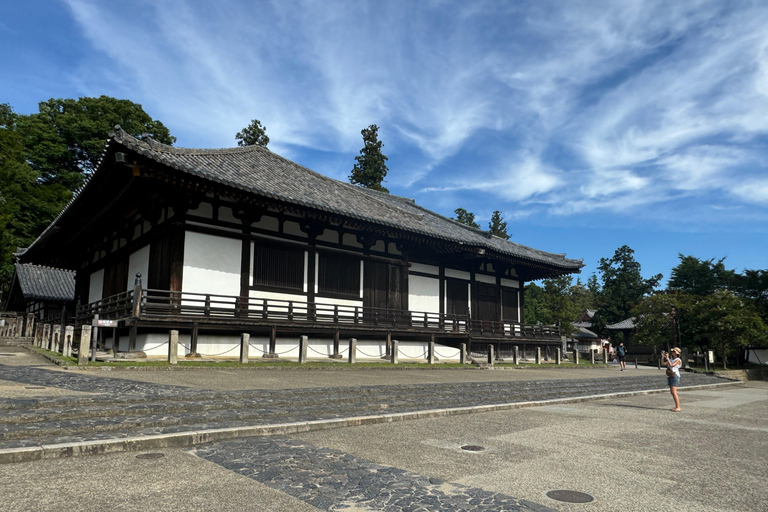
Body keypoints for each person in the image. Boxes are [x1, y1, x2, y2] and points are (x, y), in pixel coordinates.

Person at [661, 347, 682, 412]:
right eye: (672, 351)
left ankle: (678, 407)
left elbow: (672, 365)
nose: (672, 353)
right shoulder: (671, 359)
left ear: (676, 353)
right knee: (672, 392)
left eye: (674, 352)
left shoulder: (678, 360)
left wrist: (667, 358)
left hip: (675, 375)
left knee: (674, 392)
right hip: (670, 375)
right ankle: (676, 406)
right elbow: (663, 363)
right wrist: (663, 357)